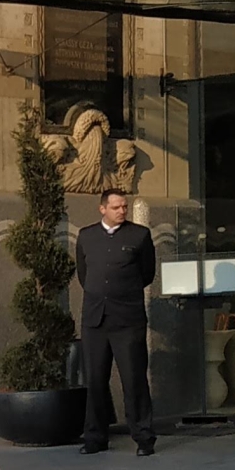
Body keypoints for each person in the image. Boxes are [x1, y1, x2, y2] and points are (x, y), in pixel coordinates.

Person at [75, 188, 157, 455]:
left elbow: (147, 274)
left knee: (133, 379)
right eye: (116, 207)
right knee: (96, 380)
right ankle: (95, 437)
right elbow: (84, 275)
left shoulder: (139, 236)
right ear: (102, 209)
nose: (122, 211)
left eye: (124, 206)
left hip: (128, 320)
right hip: (95, 318)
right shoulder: (86, 236)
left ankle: (143, 437)